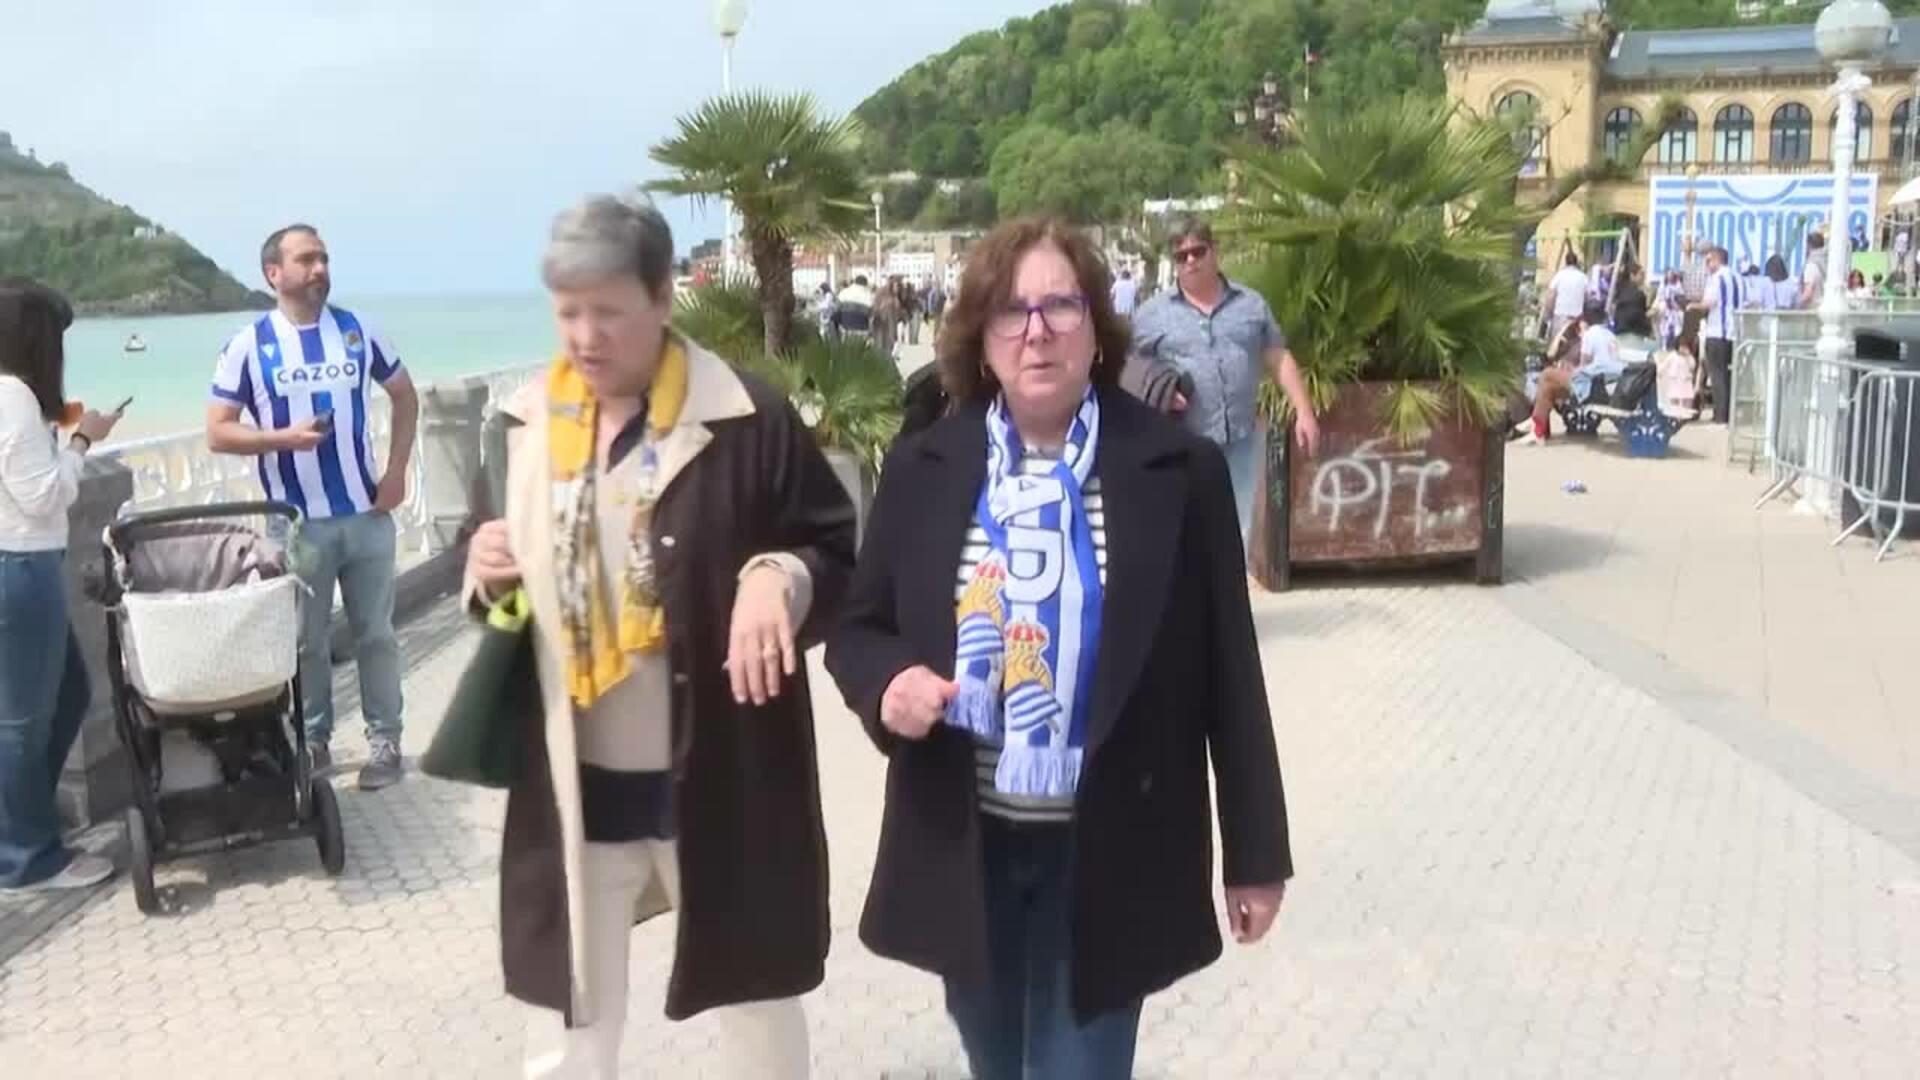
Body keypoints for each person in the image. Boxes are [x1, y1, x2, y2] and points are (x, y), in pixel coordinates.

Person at [826, 217, 1290, 1080]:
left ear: (1096, 325)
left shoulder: (1176, 473)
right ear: (982, 336)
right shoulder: (925, 465)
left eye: (1059, 307)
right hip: (968, 850)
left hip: (1113, 847)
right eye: (1012, 311)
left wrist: (1255, 856)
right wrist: (886, 685)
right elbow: (858, 628)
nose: (1036, 330)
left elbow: (1232, 675)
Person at [465, 194, 856, 1078]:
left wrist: (778, 578)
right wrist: (488, 578)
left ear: (663, 300)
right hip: (577, 791)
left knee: (758, 1017)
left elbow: (837, 555)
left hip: (723, 779)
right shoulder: (529, 428)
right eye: (568, 312)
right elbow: (510, 606)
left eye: (609, 311)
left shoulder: (746, 420)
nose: (585, 336)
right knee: (567, 1039)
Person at [206, 225, 418, 790]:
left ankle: (385, 742)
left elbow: (405, 395)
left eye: (324, 258)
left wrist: (395, 472)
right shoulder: (248, 345)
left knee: (376, 633)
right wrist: (281, 439)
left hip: (366, 516)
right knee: (306, 642)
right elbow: (218, 433)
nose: (320, 268)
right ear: (274, 273)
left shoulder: (356, 331)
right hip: (294, 525)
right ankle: (315, 743)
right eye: (306, 259)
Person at [0, 280, 123, 893]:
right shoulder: (13, 394)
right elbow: (45, 494)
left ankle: (22, 828)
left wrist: (60, 426)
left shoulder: (14, 397)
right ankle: (26, 858)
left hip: (19, 565)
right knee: (23, 720)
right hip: (20, 568)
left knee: (69, 692)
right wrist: (82, 440)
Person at [1130, 217, 1319, 541]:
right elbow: (1128, 365)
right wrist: (1157, 391)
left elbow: (1277, 355)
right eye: (1181, 256)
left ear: (1214, 251)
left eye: (1197, 251)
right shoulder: (1151, 314)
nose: (1190, 261)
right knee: (1188, 537)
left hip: (1241, 443)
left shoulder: (1250, 305)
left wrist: (1304, 410)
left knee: (1236, 536)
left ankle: (1230, 592)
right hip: (1183, 443)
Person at [1520, 299, 1626, 445]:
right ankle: (1536, 428)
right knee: (1549, 387)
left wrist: (1571, 369)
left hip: (1593, 385)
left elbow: (1584, 366)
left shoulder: (1590, 335)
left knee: (1547, 374)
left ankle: (1536, 426)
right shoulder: (1610, 336)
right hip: (1608, 384)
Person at [1689, 245, 1741, 424]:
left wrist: (1692, 306)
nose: (1707, 264)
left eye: (1709, 260)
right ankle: (1730, 414)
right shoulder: (1738, 277)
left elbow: (1709, 302)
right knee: (1729, 374)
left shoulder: (1716, 278)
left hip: (1717, 330)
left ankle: (1720, 415)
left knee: (1716, 374)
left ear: (1718, 259)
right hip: (1735, 332)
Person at [1544, 251, 1590, 343]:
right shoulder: (1583, 277)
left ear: (1566, 262)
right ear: (1576, 263)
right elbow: (1587, 297)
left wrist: (1548, 312)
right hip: (1576, 318)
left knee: (1556, 345)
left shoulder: (1559, 276)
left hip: (1560, 315)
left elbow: (1551, 295)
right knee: (1573, 346)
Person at [1612, 264, 1653, 338]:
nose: (1643, 278)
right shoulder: (1638, 294)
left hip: (1619, 330)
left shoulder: (1620, 290)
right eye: (1641, 274)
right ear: (1632, 276)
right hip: (1634, 331)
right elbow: (1641, 315)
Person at [1657, 270, 1687, 349]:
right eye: (1668, 276)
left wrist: (1676, 306)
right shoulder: (1663, 287)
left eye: (1672, 276)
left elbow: (1681, 301)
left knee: (1676, 335)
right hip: (1666, 317)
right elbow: (1662, 298)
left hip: (1676, 317)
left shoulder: (1679, 288)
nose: (1670, 278)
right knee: (1665, 336)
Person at [873, 278, 902, 357]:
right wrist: (894, 335)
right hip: (887, 329)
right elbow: (892, 320)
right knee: (886, 350)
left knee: (880, 349)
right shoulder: (891, 301)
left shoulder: (881, 298)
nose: (898, 288)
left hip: (879, 328)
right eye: (897, 286)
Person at [1799, 233, 1828, 309]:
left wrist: (1797, 305)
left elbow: (1808, 292)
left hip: (1812, 309)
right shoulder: (1827, 262)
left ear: (1809, 245)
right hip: (1825, 307)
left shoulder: (1811, 265)